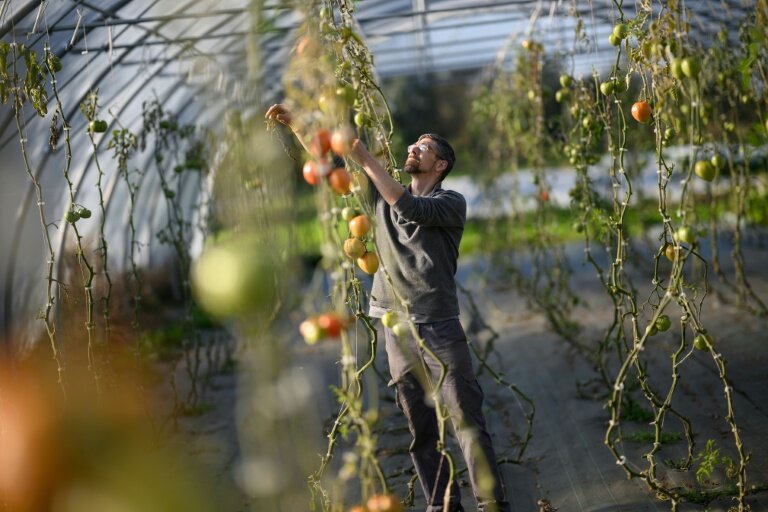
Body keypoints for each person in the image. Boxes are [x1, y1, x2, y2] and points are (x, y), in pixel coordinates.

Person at [265, 104, 510, 512]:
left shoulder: (451, 202)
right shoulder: (378, 197)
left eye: (424, 146)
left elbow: (408, 207)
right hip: (396, 328)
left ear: (441, 163)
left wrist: (363, 155)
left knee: (467, 419)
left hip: (438, 327)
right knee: (420, 428)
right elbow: (330, 165)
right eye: (414, 143)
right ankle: (442, 504)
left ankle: (492, 503)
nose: (413, 147)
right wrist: (296, 125)